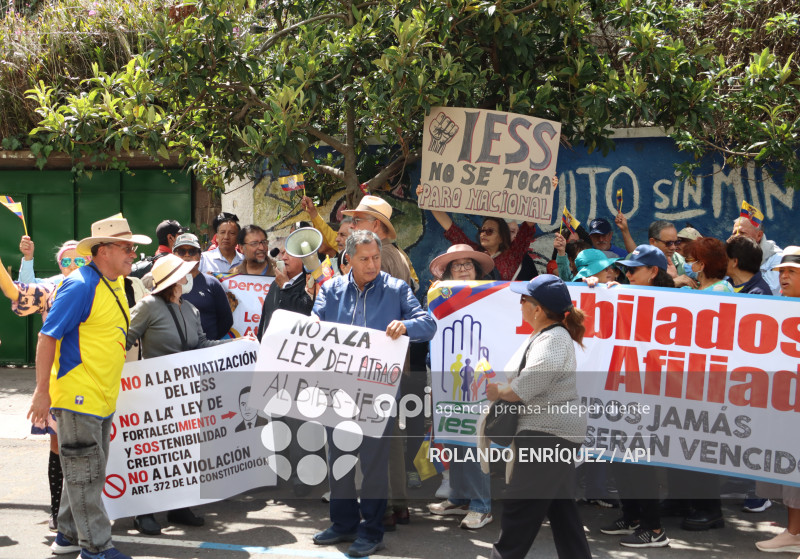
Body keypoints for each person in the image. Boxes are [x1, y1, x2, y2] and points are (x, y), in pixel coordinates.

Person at [28, 216, 150, 559]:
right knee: (86, 474)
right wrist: (41, 391)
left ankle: (67, 535)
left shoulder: (113, 282)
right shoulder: (81, 285)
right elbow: (46, 336)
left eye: (132, 247)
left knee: (85, 470)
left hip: (101, 396)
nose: (132, 252)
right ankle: (95, 546)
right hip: (79, 395)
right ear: (104, 250)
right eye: (126, 247)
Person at [311, 230, 436, 558]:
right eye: (364, 259)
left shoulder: (396, 289)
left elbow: (429, 323)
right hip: (337, 391)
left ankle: (372, 531)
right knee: (339, 459)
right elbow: (313, 326)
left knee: (374, 466)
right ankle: (343, 524)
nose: (372, 264)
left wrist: (406, 327)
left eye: (376, 258)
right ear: (348, 259)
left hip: (379, 393)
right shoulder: (330, 289)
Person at [484, 275, 591, 559]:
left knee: (520, 511)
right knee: (563, 513)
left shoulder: (554, 339)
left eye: (524, 300)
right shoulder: (549, 336)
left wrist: (499, 392)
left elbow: (525, 387)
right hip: (552, 435)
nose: (520, 305)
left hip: (547, 436)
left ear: (538, 309)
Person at [125, 254, 232, 535]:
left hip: (186, 394)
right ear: (172, 281)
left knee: (184, 452)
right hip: (153, 394)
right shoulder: (148, 306)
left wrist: (234, 345)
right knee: (152, 454)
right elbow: (123, 339)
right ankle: (143, 512)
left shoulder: (191, 310)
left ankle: (179, 507)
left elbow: (201, 344)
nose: (188, 279)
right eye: (183, 275)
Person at [343, 195, 418, 528]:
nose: (353, 226)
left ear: (375, 225)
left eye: (358, 221)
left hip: (374, 357)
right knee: (389, 437)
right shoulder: (397, 255)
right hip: (393, 358)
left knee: (373, 439)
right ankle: (398, 504)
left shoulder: (377, 257)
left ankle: (382, 510)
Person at [426, 245, 494, 529]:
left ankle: (482, 505)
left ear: (477, 270)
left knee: (475, 438)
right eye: (457, 265)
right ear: (449, 271)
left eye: (468, 264)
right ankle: (458, 497)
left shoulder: (493, 295)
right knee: (453, 434)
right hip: (447, 376)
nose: (464, 268)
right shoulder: (438, 298)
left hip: (480, 378)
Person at [752, 247, 800, 553]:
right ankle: (793, 531)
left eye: (791, 272)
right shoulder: (777, 308)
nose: (783, 277)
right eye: (781, 271)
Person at [418, 185, 535, 281]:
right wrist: (427, 198)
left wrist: (547, 191)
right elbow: (450, 228)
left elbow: (528, 225)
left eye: (489, 231)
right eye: (481, 230)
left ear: (501, 237)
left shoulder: (513, 254)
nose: (483, 234)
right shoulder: (472, 252)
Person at [173, 233, 233, 339]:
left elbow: (226, 320)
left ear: (200, 256)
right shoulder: (164, 285)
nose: (187, 255)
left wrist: (209, 340)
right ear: (174, 255)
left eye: (192, 251)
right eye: (182, 252)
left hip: (208, 351)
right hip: (174, 351)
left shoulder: (212, 283)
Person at [730, 216, 783, 295]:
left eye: (742, 233)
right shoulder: (730, 258)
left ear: (759, 235)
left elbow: (771, 290)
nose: (736, 237)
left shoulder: (779, 258)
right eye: (734, 233)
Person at [18, 237, 89, 284]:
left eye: (79, 261)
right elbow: (27, 286)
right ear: (60, 265)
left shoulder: (96, 283)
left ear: (88, 263)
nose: (72, 266)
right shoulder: (54, 284)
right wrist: (28, 256)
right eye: (66, 262)